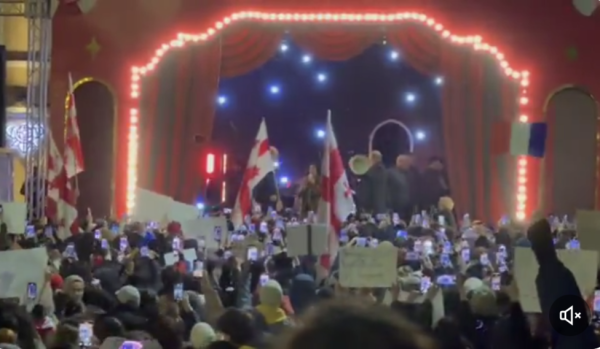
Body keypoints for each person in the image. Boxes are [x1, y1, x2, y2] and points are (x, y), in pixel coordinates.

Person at [386, 155, 411, 222]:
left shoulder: (408, 174)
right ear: (400, 162)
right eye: (407, 163)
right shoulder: (390, 173)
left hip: (406, 209)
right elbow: (386, 190)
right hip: (394, 208)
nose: (408, 165)